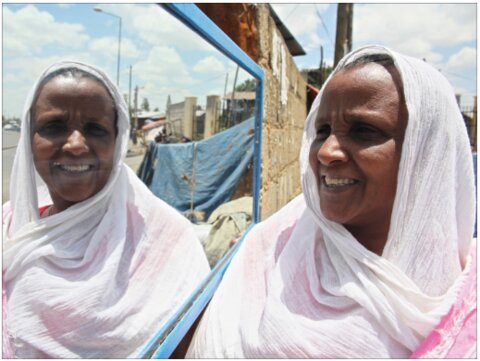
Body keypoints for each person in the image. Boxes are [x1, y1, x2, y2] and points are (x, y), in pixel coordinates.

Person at [186, 45, 476, 358]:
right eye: (323, 130)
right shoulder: (270, 250)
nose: (325, 152)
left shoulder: (464, 291)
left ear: (426, 154)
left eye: (364, 130)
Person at [2, 61, 210, 358]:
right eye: (53, 127)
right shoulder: (10, 230)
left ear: (118, 140)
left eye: (95, 129)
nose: (75, 145)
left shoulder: (168, 241)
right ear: (29, 139)